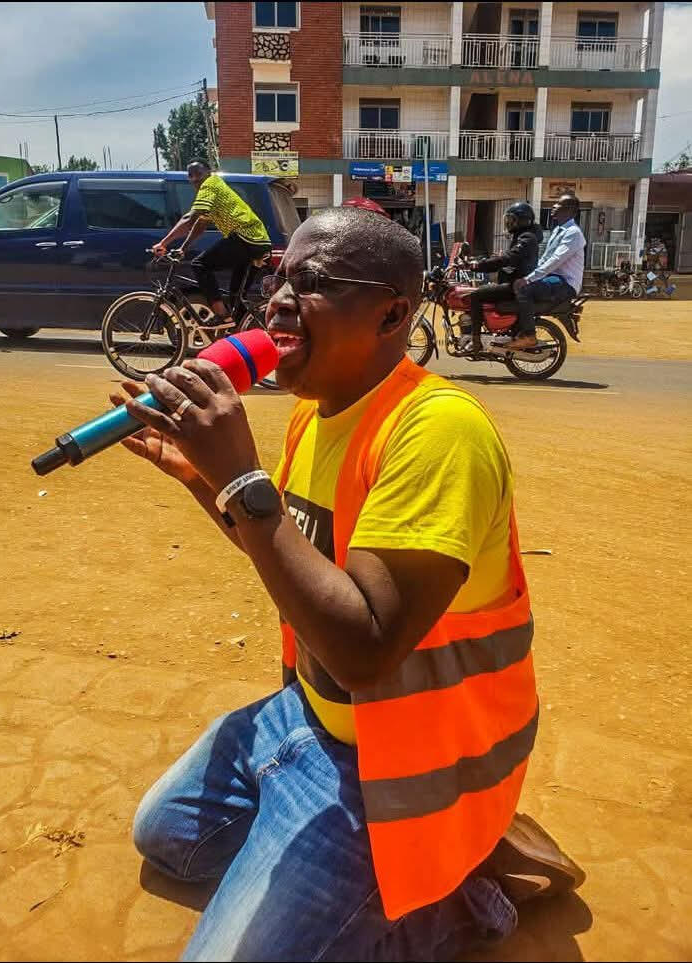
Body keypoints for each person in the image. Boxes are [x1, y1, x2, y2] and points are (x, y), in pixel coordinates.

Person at [112, 208, 584, 962]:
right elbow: (294, 558)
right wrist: (207, 480)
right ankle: (377, 858)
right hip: (311, 720)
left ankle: (461, 888)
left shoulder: (438, 432)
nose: (276, 302)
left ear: (393, 313)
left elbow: (365, 649)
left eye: (313, 282)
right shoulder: (314, 417)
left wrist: (239, 475)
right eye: (276, 281)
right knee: (167, 835)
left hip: (400, 767)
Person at [152, 160, 271, 324]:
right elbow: (200, 224)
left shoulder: (210, 185)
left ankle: (221, 315)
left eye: (198, 174)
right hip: (258, 241)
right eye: (190, 175)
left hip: (246, 237)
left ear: (208, 172)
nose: (194, 179)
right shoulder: (214, 189)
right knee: (236, 298)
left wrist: (163, 243)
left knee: (199, 265)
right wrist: (183, 248)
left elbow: (189, 218)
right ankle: (242, 330)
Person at [507, 193, 585, 350]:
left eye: (558, 204)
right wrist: (528, 275)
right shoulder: (558, 230)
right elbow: (545, 258)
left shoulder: (573, 233)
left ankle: (529, 336)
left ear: (569, 210)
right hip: (553, 278)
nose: (553, 206)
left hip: (565, 283)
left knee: (525, 290)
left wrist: (528, 280)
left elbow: (555, 260)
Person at [463, 201, 542, 353]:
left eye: (512, 220)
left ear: (523, 221)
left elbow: (508, 259)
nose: (509, 223)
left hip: (515, 285)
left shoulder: (527, 238)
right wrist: (484, 262)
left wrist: (477, 266)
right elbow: (508, 259)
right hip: (513, 281)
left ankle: (476, 340)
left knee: (475, 295)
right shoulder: (523, 236)